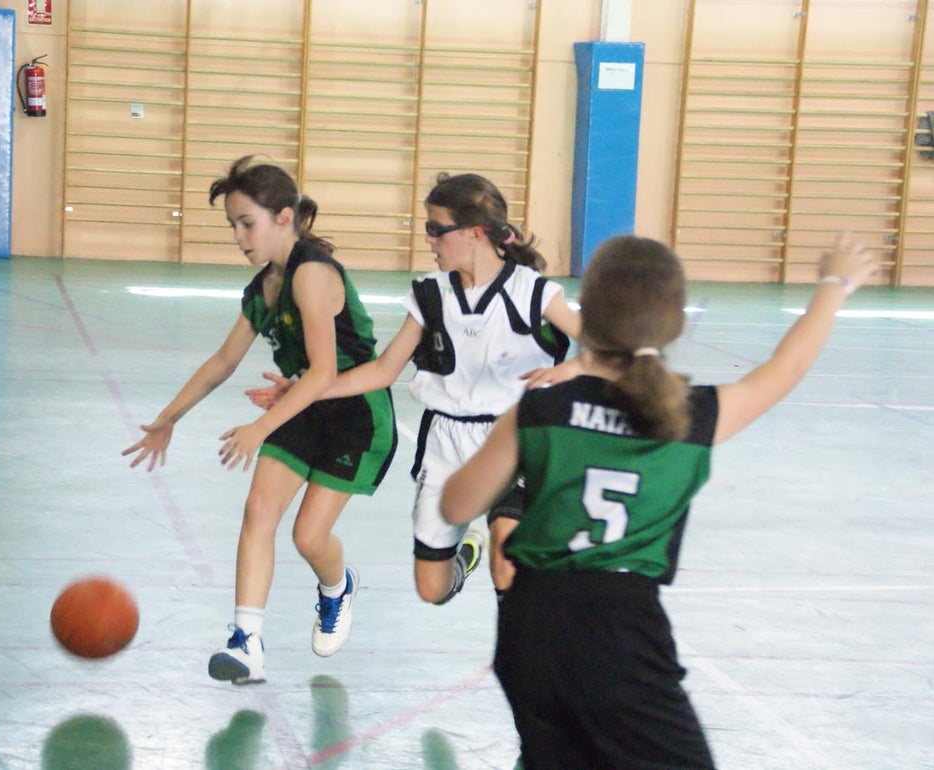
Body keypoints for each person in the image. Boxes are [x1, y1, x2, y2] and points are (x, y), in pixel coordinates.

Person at [440, 232, 879, 768]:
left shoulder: (542, 409)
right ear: (674, 324)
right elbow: (784, 369)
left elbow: (456, 507)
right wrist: (835, 285)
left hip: (531, 624)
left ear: (588, 317)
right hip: (621, 629)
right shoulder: (693, 415)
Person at [122, 156, 397, 684]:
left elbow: (321, 374)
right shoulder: (261, 289)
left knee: (308, 537)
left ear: (285, 218)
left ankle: (338, 587)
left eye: (246, 223)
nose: (238, 236)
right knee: (258, 510)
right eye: (232, 225)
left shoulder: (313, 274)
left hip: (353, 415)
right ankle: (246, 642)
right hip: (300, 403)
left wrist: (259, 429)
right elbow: (224, 361)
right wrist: (167, 419)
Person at [248, 172, 580, 607]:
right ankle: (465, 557)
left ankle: (522, 656)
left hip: (510, 437)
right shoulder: (430, 295)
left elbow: (605, 346)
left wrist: (571, 371)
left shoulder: (532, 292)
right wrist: (303, 393)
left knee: (508, 554)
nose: (429, 240)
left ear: (475, 234)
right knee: (432, 589)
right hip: (445, 442)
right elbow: (384, 369)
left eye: (436, 230)